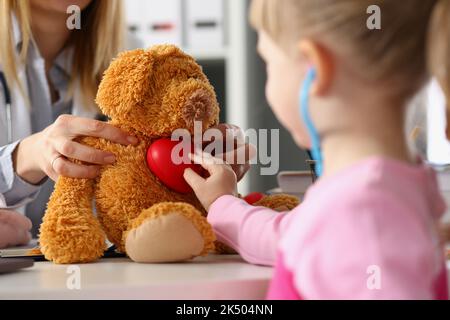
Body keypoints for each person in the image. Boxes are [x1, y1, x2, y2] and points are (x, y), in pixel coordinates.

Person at [183, 0, 450, 299]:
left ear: (315, 69)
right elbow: (292, 236)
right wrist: (223, 202)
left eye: (268, 63)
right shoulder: (380, 191)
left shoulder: (365, 212)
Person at [0, 0, 250, 248]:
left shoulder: (132, 56)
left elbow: (138, 197)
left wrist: (207, 159)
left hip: (104, 268)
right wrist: (24, 157)